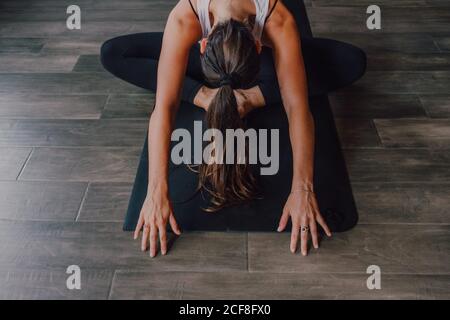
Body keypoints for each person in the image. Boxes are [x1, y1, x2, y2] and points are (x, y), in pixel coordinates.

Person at [100, 0, 366, 258]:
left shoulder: (278, 18)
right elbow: (164, 108)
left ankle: (250, 96)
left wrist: (303, 188)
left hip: (256, 62)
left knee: (351, 60)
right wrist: (156, 190)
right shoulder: (185, 17)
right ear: (203, 45)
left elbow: (298, 110)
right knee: (113, 53)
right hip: (219, 56)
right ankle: (206, 94)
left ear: (259, 46)